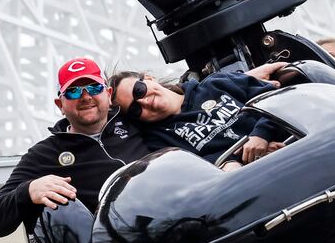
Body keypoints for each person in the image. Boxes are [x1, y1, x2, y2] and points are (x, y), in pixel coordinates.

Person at [0, 58, 149, 238]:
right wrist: (28, 190)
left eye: (94, 87)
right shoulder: (43, 154)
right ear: (60, 105)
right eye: (73, 92)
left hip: (164, 235)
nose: (85, 97)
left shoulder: (141, 123)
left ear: (108, 94)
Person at [109, 63, 288, 166]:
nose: (144, 101)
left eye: (139, 91)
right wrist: (249, 156)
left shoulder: (217, 83)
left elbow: (278, 96)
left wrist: (261, 135)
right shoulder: (159, 142)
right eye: (135, 109)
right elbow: (198, 168)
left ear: (148, 78)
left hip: (295, 143)